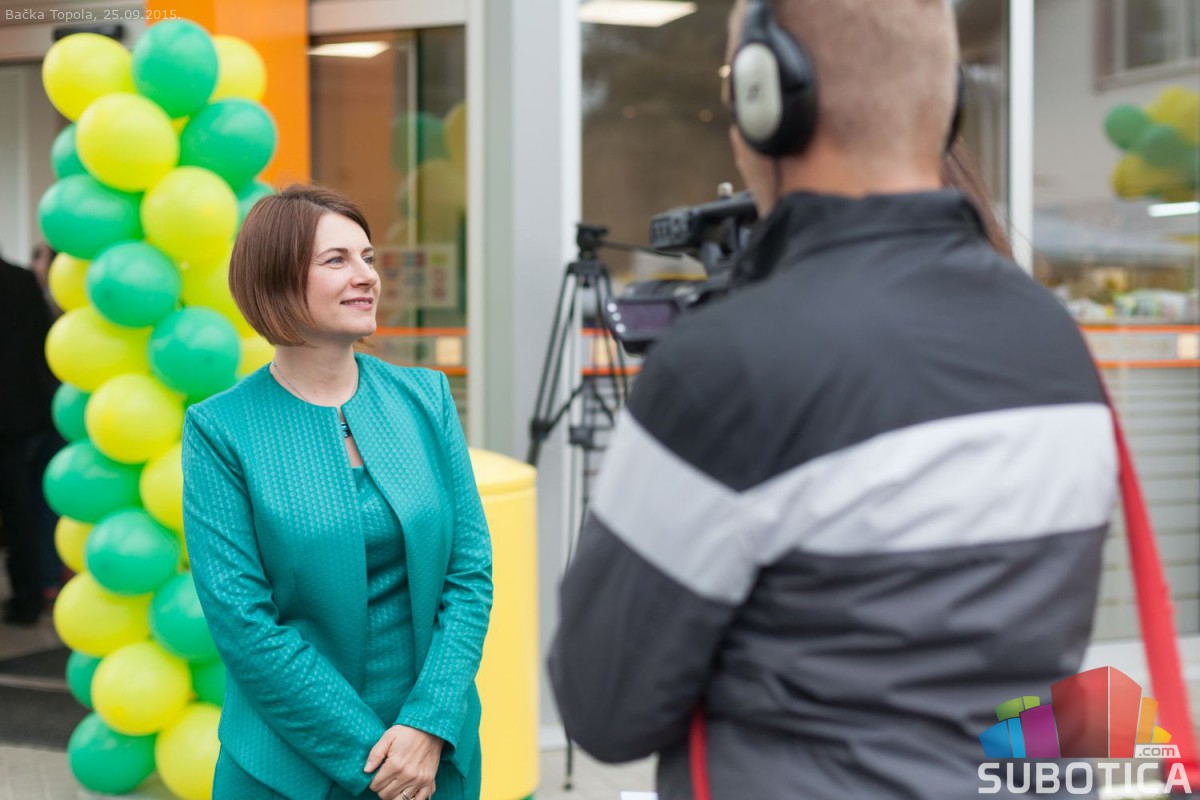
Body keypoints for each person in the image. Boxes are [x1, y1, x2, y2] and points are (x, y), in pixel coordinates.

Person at [547, 1, 1116, 798]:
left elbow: (604, 707)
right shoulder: (1055, 342)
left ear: (766, 100)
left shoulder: (727, 369)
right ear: (945, 99)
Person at [182, 185, 492, 800]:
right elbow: (245, 624)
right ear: (275, 280)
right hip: (286, 765)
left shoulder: (425, 398)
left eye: (368, 258)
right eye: (337, 260)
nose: (366, 276)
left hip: (434, 756)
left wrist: (428, 724)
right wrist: (380, 762)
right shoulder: (220, 429)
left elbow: (469, 573)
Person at [0, 251, 58, 626]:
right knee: (23, 510)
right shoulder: (21, 280)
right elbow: (44, 342)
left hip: (17, 416)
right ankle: (29, 597)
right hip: (25, 414)